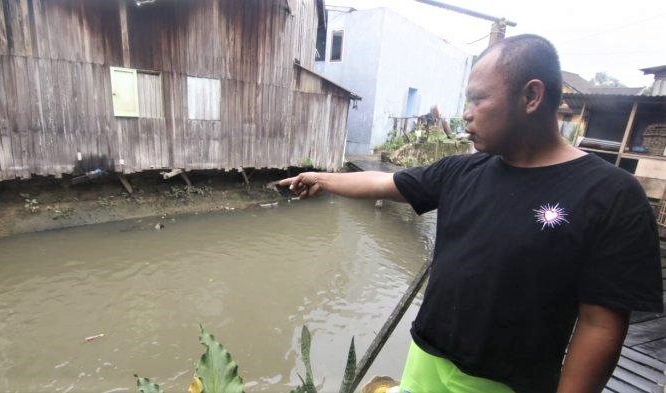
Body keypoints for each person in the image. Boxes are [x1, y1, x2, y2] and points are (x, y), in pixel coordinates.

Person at [279, 34, 663, 393]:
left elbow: (600, 324)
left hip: (504, 382)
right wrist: (322, 179)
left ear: (530, 96)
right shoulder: (463, 170)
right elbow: (385, 183)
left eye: (478, 100)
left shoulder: (610, 195)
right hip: (425, 357)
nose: (465, 114)